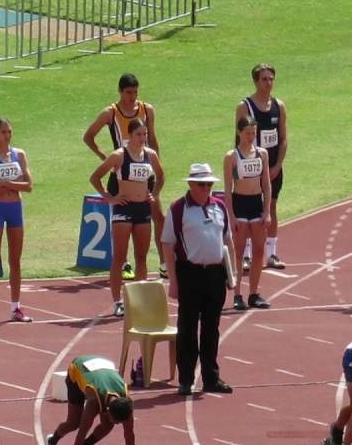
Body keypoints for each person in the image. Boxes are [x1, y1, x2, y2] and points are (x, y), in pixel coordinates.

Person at [161, 164, 238, 396]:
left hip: (215, 274)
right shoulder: (178, 209)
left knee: (211, 329)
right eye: (202, 184)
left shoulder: (220, 207)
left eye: (210, 184)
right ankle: (185, 379)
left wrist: (232, 274)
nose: (207, 188)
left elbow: (228, 242)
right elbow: (167, 244)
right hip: (190, 273)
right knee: (187, 327)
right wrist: (173, 281)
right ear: (191, 184)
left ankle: (211, 378)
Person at [83, 73, 166, 279]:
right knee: (123, 220)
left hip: (144, 169)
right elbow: (88, 136)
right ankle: (125, 263)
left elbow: (153, 139)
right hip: (121, 172)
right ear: (120, 91)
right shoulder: (110, 113)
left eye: (136, 92)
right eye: (129, 93)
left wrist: (155, 164)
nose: (132, 97)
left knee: (158, 216)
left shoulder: (147, 109)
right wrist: (106, 157)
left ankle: (164, 263)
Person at [90, 117, 164, 317]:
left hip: (143, 210)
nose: (142, 138)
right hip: (124, 209)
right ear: (129, 136)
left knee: (141, 257)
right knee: (120, 258)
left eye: (145, 134)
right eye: (139, 134)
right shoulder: (118, 156)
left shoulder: (151, 155)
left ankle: (139, 300)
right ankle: (118, 302)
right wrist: (109, 197)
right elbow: (95, 177)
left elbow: (161, 176)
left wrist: (154, 194)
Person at [40, 354, 138, 445]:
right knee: (74, 423)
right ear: (107, 411)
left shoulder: (125, 401)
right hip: (77, 370)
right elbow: (81, 434)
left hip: (101, 370)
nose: (118, 424)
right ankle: (51, 442)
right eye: (117, 421)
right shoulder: (94, 402)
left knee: (108, 425)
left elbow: (129, 434)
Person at [0, 117, 33, 325]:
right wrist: (11, 185)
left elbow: (29, 186)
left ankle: (15, 307)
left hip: (15, 209)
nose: (7, 136)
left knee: (15, 261)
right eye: (3, 132)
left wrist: (7, 183)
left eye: (9, 132)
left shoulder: (19, 155)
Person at [234, 63, 288, 270]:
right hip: (250, 167)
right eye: (264, 79)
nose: (269, 83)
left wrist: (277, 165)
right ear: (256, 81)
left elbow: (283, 138)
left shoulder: (278, 106)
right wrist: (240, 167)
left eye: (271, 79)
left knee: (271, 207)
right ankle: (246, 255)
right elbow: (237, 138)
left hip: (273, 167)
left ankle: (272, 254)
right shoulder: (245, 106)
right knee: (250, 211)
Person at [223, 116, 273, 311]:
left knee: (259, 249)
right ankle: (237, 294)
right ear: (239, 133)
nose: (251, 137)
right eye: (247, 133)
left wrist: (267, 211)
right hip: (240, 203)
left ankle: (254, 293)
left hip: (256, 204)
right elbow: (228, 188)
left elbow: (266, 185)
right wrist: (232, 215)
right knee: (239, 249)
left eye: (254, 133)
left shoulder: (262, 154)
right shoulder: (232, 157)